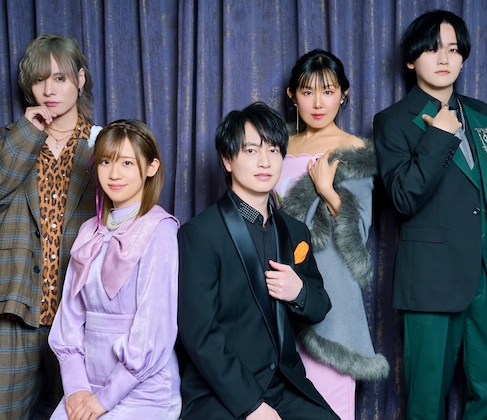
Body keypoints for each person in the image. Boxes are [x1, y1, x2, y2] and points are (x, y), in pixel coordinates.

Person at [373, 10, 487, 420]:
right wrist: (439, 136)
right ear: (411, 60)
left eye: (453, 49)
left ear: (463, 57)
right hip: (430, 280)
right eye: (432, 49)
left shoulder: (486, 116)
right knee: (426, 400)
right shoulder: (392, 122)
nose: (444, 58)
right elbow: (403, 198)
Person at [0, 34, 99, 419]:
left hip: (82, 314)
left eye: (59, 78)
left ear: (80, 79)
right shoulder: (11, 138)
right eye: (39, 80)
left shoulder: (103, 145)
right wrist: (28, 133)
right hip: (14, 306)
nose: (49, 90)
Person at [177, 102, 339, 419]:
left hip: (284, 385)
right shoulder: (200, 234)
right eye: (251, 151)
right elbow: (200, 335)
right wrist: (251, 405)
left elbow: (320, 306)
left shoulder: (295, 231)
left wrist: (298, 291)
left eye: (273, 150)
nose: (265, 161)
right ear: (227, 159)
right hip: (220, 390)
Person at [273, 49, 389, 419]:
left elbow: (359, 230)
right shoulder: (277, 146)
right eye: (308, 92)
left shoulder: (353, 149)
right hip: (277, 282)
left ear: (343, 94)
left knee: (329, 400)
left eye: (328, 91)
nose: (318, 103)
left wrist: (327, 190)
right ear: (292, 95)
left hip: (330, 287)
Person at [48, 120, 181, 419]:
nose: (114, 174)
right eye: (106, 161)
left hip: (143, 389)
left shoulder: (159, 229)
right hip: (86, 384)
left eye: (127, 162)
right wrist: (77, 388)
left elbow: (153, 330)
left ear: (151, 167)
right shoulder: (88, 231)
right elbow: (68, 320)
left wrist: (104, 400)